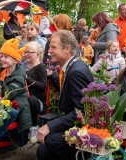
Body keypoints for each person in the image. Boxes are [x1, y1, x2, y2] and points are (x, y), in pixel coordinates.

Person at [36, 30, 93, 160]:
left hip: (84, 128)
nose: (49, 51)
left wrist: (50, 126)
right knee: (43, 151)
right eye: (49, 46)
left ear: (67, 49)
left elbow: (82, 112)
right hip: (74, 123)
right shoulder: (71, 67)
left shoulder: (76, 71)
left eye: (53, 47)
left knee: (51, 140)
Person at [0, 38, 32, 150]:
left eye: (6, 57)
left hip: (16, 102)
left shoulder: (19, 77)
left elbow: (8, 94)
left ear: (15, 60)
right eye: (2, 56)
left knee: (12, 110)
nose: (2, 59)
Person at [23, 42, 47, 144]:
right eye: (25, 52)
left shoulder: (41, 67)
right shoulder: (24, 68)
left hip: (37, 103)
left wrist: (28, 79)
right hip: (25, 99)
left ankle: (34, 127)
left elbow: (43, 86)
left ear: (38, 54)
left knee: (31, 99)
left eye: (30, 52)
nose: (26, 54)